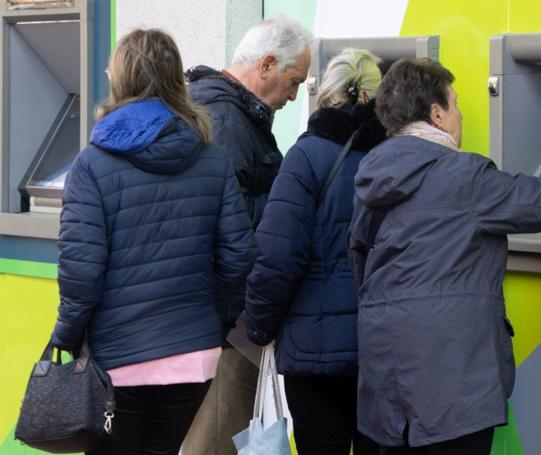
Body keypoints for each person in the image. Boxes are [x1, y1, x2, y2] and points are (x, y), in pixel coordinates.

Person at [348, 58, 541, 455]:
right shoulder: (462, 176)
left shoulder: (373, 173)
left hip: (387, 371)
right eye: (455, 103)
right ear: (436, 113)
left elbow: (359, 258)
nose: (462, 114)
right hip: (452, 374)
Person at [50, 28, 257, 455]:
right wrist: (209, 317)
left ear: (120, 79)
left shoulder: (93, 163)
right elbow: (239, 255)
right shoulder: (212, 158)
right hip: (192, 355)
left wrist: (66, 336)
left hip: (116, 359)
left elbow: (82, 271)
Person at [181, 15, 313, 455]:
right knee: (217, 437)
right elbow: (225, 219)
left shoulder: (218, 109)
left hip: (209, 315)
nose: (294, 96)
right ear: (268, 65)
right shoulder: (228, 119)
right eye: (293, 81)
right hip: (226, 322)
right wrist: (284, 206)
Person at [245, 48, 386, 455]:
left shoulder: (305, 156)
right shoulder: (395, 158)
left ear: (326, 94)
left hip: (313, 352)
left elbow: (276, 256)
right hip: (381, 346)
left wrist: (260, 325)